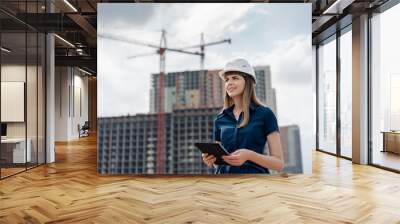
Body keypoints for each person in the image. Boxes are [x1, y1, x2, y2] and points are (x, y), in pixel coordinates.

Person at [202, 58, 284, 174]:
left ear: (248, 81)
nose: (229, 83)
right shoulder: (220, 119)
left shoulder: (265, 114)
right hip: (225, 185)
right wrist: (212, 160)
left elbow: (279, 164)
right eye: (227, 80)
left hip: (254, 185)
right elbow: (220, 164)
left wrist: (249, 155)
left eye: (235, 78)